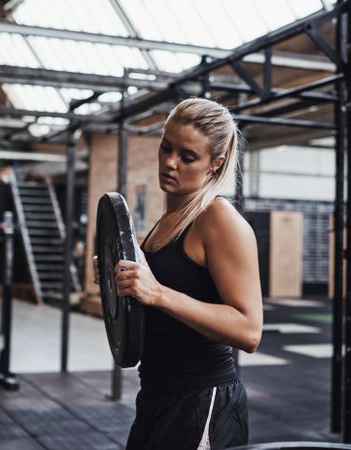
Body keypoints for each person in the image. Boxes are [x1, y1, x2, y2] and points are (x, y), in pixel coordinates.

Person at [96, 97, 263, 449]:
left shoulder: (219, 220)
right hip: (157, 395)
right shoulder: (166, 221)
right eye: (166, 148)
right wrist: (120, 282)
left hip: (202, 400)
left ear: (215, 164)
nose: (170, 163)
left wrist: (157, 292)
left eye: (188, 157)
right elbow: (157, 305)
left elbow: (249, 330)